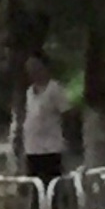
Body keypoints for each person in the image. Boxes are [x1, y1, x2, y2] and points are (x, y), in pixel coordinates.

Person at [21, 55, 70, 185]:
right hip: (32, 148)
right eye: (30, 69)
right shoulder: (29, 92)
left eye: (36, 67)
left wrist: (67, 140)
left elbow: (67, 114)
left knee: (51, 185)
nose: (33, 72)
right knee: (35, 185)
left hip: (51, 148)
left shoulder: (55, 89)